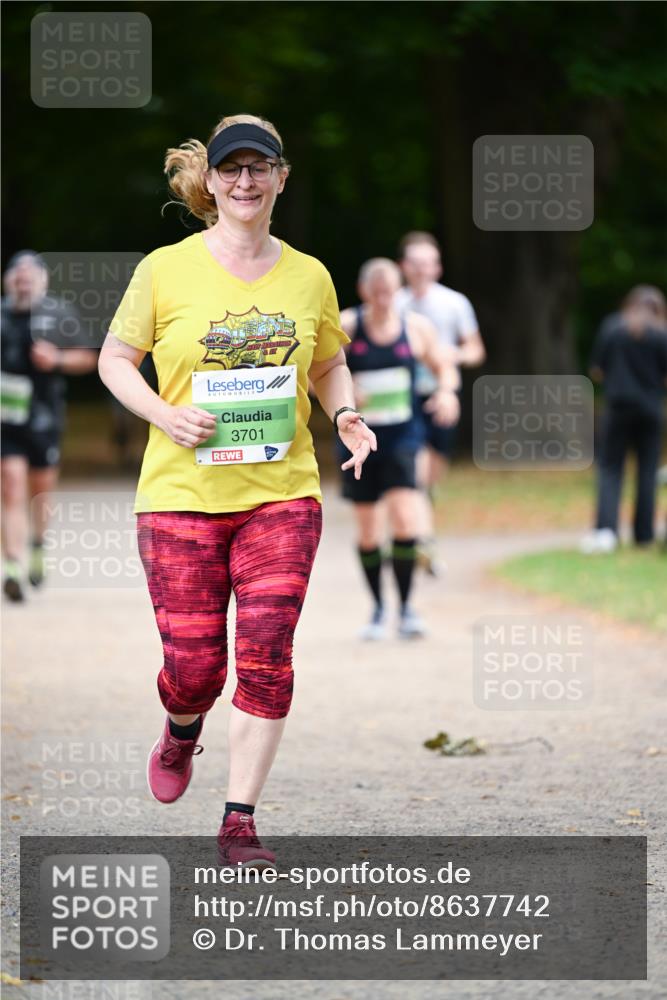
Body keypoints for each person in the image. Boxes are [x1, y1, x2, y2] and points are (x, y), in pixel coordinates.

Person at [98, 113, 376, 868]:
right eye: (232, 170)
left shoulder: (309, 274)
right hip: (179, 495)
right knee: (194, 669)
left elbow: (325, 364)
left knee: (266, 655)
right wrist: (162, 412)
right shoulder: (165, 268)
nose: (245, 182)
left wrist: (345, 413)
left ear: (281, 178)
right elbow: (116, 359)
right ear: (212, 181)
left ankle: (238, 820)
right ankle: (180, 728)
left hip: (280, 495)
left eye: (260, 169)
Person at [339, 258, 460, 640]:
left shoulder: (415, 328)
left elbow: (446, 366)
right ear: (364, 293)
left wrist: (446, 392)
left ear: (399, 291)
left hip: (405, 436)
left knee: (407, 518)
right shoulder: (347, 326)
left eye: (390, 292)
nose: (384, 299)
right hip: (359, 441)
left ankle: (407, 608)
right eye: (376, 293)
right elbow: (316, 374)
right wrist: (346, 393)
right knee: (369, 529)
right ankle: (377, 608)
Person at [1, 251, 96, 602]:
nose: (23, 280)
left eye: (30, 275)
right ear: (8, 281)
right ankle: (12, 567)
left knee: (40, 492)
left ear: (43, 281)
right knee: (10, 486)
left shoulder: (58, 315)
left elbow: (88, 357)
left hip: (44, 417)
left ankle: (37, 544)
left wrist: (56, 358)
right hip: (6, 420)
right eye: (16, 274)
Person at [395, 232, 486, 574]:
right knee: (414, 467)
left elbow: (476, 350)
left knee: (433, 470)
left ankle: (419, 519)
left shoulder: (454, 303)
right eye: (414, 263)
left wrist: (454, 354)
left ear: (438, 267)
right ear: (404, 266)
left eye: (427, 263)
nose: (420, 269)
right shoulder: (396, 303)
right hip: (405, 395)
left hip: (443, 393)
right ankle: (421, 539)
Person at [581, 285, 667, 553]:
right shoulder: (662, 334)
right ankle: (643, 535)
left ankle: (606, 531)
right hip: (651, 409)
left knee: (609, 469)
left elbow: (597, 370)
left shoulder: (613, 327)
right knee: (647, 470)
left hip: (617, 408)